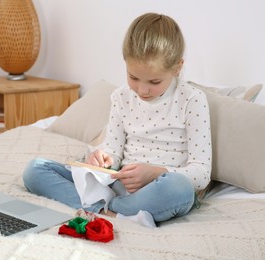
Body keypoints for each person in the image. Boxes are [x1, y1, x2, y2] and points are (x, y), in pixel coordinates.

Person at [23, 12, 212, 225]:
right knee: (35, 169)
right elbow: (114, 150)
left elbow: (201, 173)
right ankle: (106, 211)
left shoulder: (192, 100)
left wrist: (153, 174)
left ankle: (103, 207)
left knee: (180, 188)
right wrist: (104, 158)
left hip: (160, 189)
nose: (142, 89)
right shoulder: (121, 97)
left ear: (178, 67)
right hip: (118, 186)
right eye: (133, 77)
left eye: (154, 81)